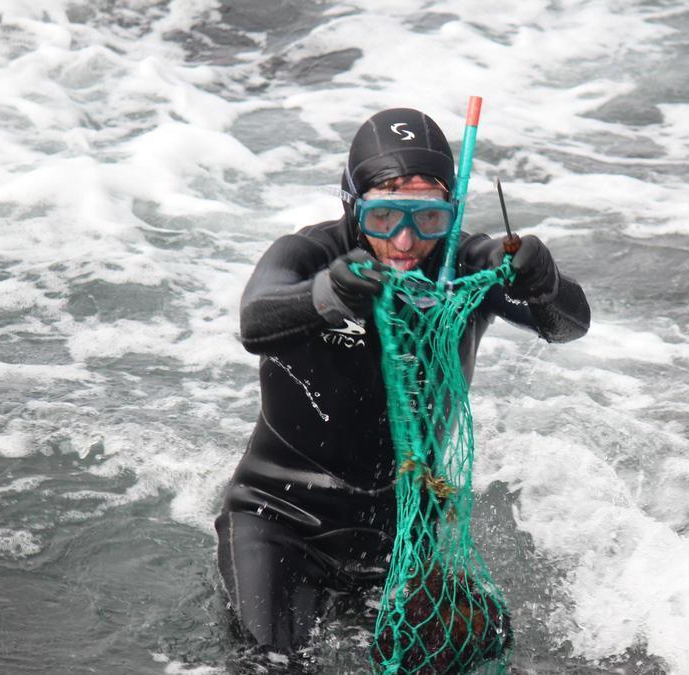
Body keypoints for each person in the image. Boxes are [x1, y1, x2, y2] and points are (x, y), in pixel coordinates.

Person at [214, 107, 590, 652]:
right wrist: (330, 293)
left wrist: (542, 278)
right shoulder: (308, 254)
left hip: (403, 531)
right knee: (265, 662)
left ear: (451, 212)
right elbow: (255, 322)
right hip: (280, 517)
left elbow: (567, 326)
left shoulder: (466, 268)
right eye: (385, 217)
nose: (407, 242)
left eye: (429, 219)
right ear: (352, 206)